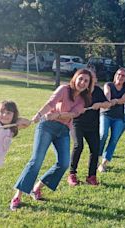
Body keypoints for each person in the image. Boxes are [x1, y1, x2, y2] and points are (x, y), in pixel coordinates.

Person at [10, 69, 93, 211]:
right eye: (81, 79)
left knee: (64, 163)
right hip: (47, 126)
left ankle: (37, 188)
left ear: (89, 84)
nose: (82, 82)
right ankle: (18, 196)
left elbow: (73, 114)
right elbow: (50, 103)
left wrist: (58, 115)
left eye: (86, 81)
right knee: (36, 161)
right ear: (75, 78)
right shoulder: (64, 89)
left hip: (63, 131)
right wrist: (38, 115)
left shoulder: (84, 99)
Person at [68, 69, 113, 186]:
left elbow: (108, 104)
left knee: (95, 149)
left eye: (90, 78)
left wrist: (100, 104)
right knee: (78, 146)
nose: (86, 81)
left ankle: (91, 176)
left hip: (93, 126)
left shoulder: (98, 91)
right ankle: (72, 174)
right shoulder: (80, 91)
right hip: (77, 123)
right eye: (84, 79)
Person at [98, 68, 125, 172]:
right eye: (118, 74)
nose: (120, 77)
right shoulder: (108, 85)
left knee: (114, 139)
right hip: (105, 114)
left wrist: (115, 101)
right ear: (115, 75)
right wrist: (108, 101)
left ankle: (104, 163)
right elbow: (107, 94)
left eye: (123, 76)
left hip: (118, 118)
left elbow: (122, 100)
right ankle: (96, 158)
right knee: (103, 135)